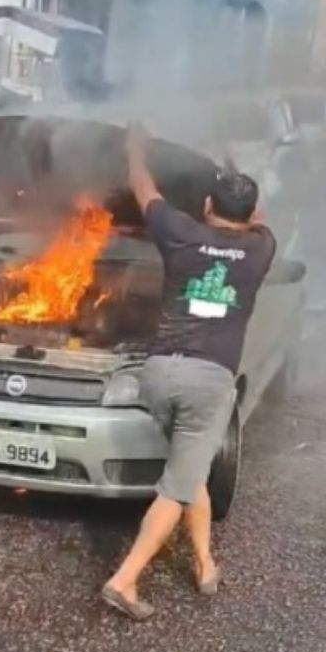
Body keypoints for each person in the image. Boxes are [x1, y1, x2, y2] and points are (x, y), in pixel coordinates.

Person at [100, 124, 276, 621]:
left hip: (158, 373)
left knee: (188, 466)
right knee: (177, 487)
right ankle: (125, 579)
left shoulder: (180, 234)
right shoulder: (261, 249)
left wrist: (135, 148)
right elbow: (261, 222)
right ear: (253, 215)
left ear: (205, 207)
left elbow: (143, 189)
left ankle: (204, 564)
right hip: (209, 382)